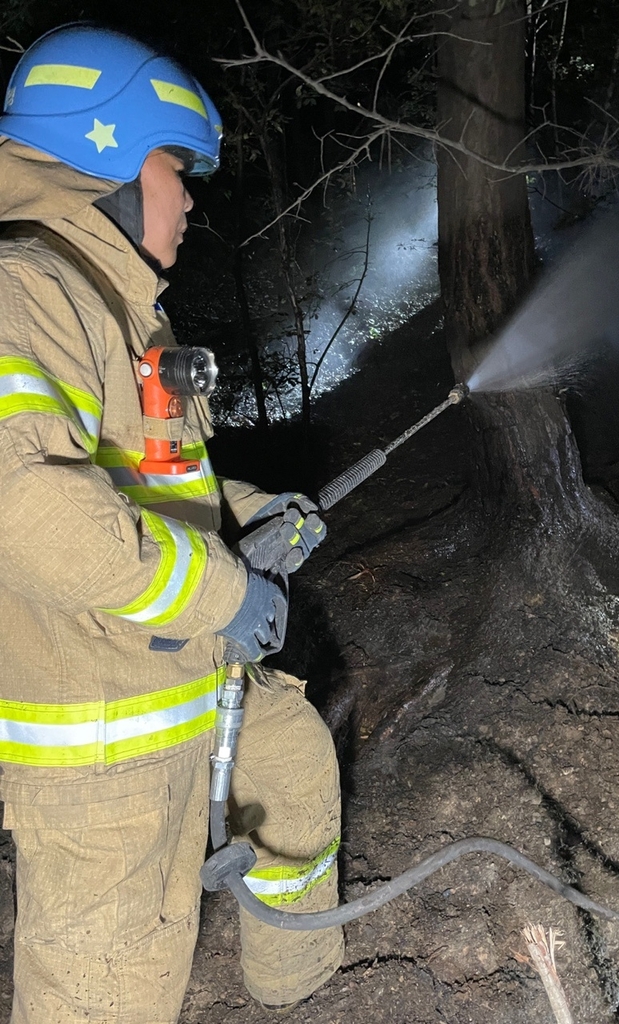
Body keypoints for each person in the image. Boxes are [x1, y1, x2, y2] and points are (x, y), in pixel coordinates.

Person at [0, 23, 343, 1023]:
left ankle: (299, 993)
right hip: (101, 735)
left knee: (293, 762)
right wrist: (224, 591)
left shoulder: (123, 314)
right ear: (103, 154)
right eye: (173, 167)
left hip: (184, 678)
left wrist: (253, 512)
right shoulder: (24, 291)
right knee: (113, 982)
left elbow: (151, 489)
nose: (190, 197)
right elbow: (23, 503)